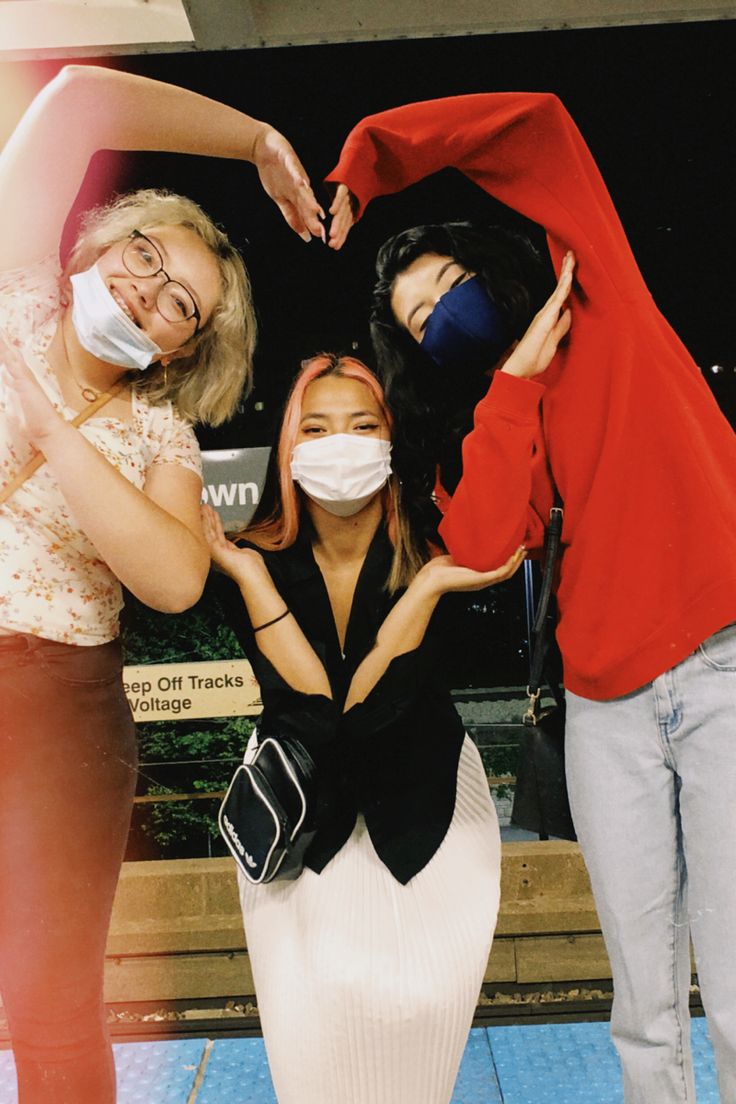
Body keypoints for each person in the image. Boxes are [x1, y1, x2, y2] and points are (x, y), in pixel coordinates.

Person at [325, 92, 736, 1104]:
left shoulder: (604, 296)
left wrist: (370, 159)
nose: (443, 316)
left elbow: (537, 126)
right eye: (421, 320)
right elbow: (478, 545)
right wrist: (510, 384)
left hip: (723, 670)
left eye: (449, 285)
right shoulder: (493, 420)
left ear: (489, 264)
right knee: (641, 1002)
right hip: (605, 710)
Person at [0, 63, 323, 1104]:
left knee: (48, 1004)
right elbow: (81, 104)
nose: (147, 287)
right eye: (145, 255)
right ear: (105, 240)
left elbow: (176, 579)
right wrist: (257, 138)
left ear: (186, 348)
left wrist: (50, 424)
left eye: (180, 302)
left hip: (58, 713)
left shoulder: (162, 434)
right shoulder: (14, 288)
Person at [204, 353, 524, 1104]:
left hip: (431, 811)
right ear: (288, 447)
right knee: (309, 1042)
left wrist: (430, 585)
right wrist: (249, 577)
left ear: (388, 439)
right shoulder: (257, 556)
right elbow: (315, 712)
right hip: (297, 814)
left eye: (360, 424)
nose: (337, 443)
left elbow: (375, 713)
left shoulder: (440, 540)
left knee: (419, 1031)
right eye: (314, 427)